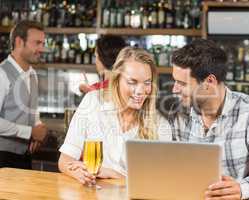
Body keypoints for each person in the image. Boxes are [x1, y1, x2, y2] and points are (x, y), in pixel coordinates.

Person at [169, 39, 249, 199]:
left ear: (209, 82)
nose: (174, 89)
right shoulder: (178, 112)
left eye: (182, 83)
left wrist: (242, 189)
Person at [58, 46, 172, 185]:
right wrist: (78, 173)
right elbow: (65, 160)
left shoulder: (160, 125)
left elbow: (159, 184)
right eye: (132, 82)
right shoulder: (93, 101)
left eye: (147, 83)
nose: (141, 91)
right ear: (116, 80)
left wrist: (114, 175)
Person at [0, 20, 48, 169]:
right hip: (3, 158)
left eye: (43, 44)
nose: (42, 49)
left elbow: (31, 110)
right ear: (19, 42)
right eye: (37, 43)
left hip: (24, 156)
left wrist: (39, 127)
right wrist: (30, 132)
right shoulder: (2, 73)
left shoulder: (32, 73)